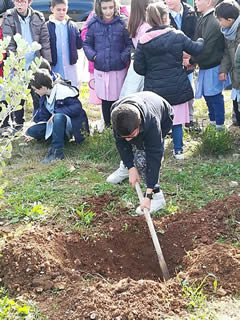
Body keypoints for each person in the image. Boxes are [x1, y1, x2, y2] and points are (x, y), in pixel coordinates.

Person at [134, 1, 204, 159]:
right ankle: (178, 150)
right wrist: (202, 40)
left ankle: (158, 150)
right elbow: (196, 49)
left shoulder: (144, 41)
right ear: (166, 17)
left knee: (157, 120)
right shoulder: (176, 35)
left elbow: (138, 68)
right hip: (176, 84)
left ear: (148, 20)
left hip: (154, 88)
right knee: (177, 119)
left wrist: (150, 71)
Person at [106, 0, 156, 184]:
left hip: (148, 71)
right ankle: (126, 165)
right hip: (139, 71)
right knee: (127, 118)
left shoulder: (146, 21)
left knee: (145, 124)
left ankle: (145, 168)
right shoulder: (138, 24)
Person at [111, 91, 173, 214]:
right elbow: (121, 143)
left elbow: (154, 157)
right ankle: (126, 167)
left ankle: (158, 197)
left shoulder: (153, 123)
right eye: (125, 136)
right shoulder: (116, 113)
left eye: (131, 135)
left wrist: (148, 195)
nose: (128, 139)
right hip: (140, 107)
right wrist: (130, 167)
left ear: (139, 123)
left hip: (164, 116)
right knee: (129, 147)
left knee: (143, 160)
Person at [2, 0, 51, 132]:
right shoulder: (9, 17)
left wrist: (46, 63)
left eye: (23, 1)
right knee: (18, 96)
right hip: (18, 64)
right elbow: (9, 43)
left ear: (29, 2)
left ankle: (39, 122)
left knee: (38, 94)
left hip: (35, 63)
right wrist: (15, 63)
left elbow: (45, 41)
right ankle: (18, 124)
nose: (19, 4)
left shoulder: (38, 17)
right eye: (17, 1)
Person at [83, 0, 132, 127]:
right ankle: (107, 125)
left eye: (111, 7)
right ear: (99, 8)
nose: (108, 11)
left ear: (116, 6)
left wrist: (123, 57)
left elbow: (129, 44)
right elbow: (87, 43)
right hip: (101, 68)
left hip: (118, 68)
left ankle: (119, 126)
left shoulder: (123, 22)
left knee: (118, 98)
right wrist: (93, 56)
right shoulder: (93, 24)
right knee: (104, 98)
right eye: (105, 8)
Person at [26, 69, 89, 163]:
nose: (35, 92)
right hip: (57, 124)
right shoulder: (44, 98)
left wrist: (56, 113)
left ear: (42, 87)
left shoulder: (63, 91)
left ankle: (56, 152)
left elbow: (77, 108)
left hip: (72, 125)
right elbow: (44, 117)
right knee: (32, 131)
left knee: (58, 117)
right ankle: (57, 138)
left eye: (35, 89)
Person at [190, 0, 230, 131]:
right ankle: (213, 124)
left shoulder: (212, 20)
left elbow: (207, 48)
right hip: (206, 65)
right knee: (208, 97)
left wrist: (191, 60)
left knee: (214, 97)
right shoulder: (204, 18)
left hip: (213, 65)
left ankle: (219, 127)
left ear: (208, 2)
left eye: (199, 0)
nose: (195, 2)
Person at [166, 0, 198, 128]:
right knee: (170, 91)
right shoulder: (161, 12)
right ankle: (169, 121)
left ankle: (189, 119)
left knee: (189, 88)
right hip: (170, 60)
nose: (168, 1)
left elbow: (196, 34)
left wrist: (191, 56)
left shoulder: (190, 12)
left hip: (188, 59)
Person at [215, 0, 240, 127]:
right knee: (236, 103)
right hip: (236, 76)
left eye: (220, 20)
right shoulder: (228, 32)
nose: (219, 23)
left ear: (230, 20)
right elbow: (227, 52)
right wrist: (223, 69)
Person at [47, 0, 82, 88]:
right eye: (58, 10)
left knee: (72, 89)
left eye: (64, 9)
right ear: (52, 9)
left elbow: (79, 45)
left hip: (70, 65)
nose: (61, 12)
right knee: (57, 89)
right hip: (55, 66)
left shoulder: (72, 26)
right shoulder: (47, 26)